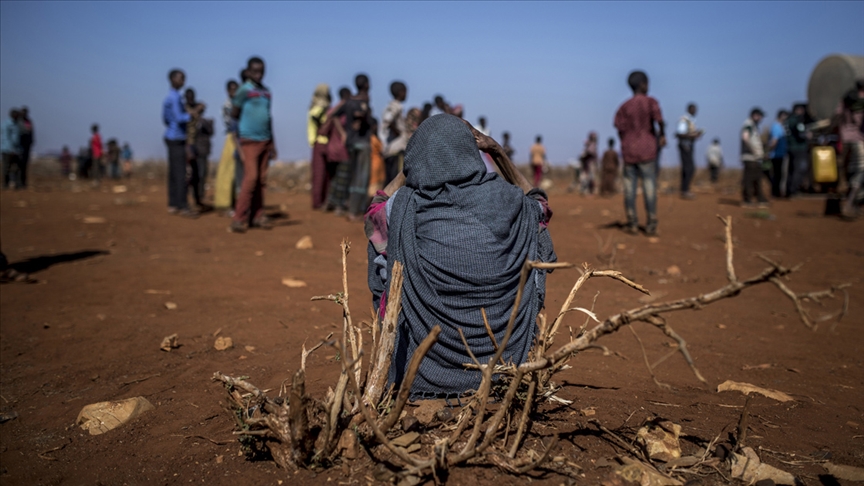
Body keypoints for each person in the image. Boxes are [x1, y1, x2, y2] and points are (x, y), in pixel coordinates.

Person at [364, 114, 555, 399]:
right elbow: (540, 205)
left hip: (422, 373)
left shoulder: (406, 206)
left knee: (385, 253)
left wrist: (410, 169)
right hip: (503, 365)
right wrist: (496, 151)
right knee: (532, 240)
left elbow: (372, 217)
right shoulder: (508, 199)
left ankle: (404, 354)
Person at [614, 70, 665, 235]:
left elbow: (619, 127)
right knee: (649, 187)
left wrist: (626, 141)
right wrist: (662, 135)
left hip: (629, 152)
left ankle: (632, 223)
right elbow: (659, 120)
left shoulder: (624, 106)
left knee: (630, 189)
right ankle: (651, 224)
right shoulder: (650, 102)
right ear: (644, 84)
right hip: (648, 151)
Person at [230, 57, 275, 232]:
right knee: (251, 178)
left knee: (262, 180)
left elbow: (269, 117)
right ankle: (239, 218)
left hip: (265, 140)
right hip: (249, 140)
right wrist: (238, 139)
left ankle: (257, 216)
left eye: (261, 71)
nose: (258, 74)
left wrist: (272, 142)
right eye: (255, 71)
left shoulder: (267, 92)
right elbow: (234, 114)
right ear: (248, 72)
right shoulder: (244, 91)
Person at [330, 73, 374, 221]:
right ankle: (355, 212)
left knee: (354, 175)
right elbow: (363, 117)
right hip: (362, 143)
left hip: (351, 143)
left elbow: (334, 115)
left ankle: (352, 209)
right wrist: (362, 118)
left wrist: (344, 133)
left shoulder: (349, 101)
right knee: (362, 177)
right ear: (366, 84)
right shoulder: (363, 100)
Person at [162, 68, 200, 218]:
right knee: (180, 173)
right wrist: (193, 113)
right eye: (181, 78)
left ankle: (173, 203)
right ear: (173, 79)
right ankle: (183, 206)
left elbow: (166, 118)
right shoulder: (176, 97)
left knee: (173, 173)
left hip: (170, 136)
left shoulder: (168, 97)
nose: (183, 81)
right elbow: (179, 118)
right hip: (177, 138)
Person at [836, 80, 864, 219]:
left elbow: (836, 116)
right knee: (861, 171)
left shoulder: (845, 99)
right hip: (858, 140)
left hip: (845, 140)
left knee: (848, 170)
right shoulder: (861, 101)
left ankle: (853, 203)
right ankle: (850, 204)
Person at [214, 80, 240, 213]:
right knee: (227, 171)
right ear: (228, 91)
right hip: (232, 138)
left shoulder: (237, 103)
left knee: (237, 172)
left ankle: (235, 202)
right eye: (232, 89)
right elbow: (232, 124)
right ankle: (224, 204)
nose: (234, 92)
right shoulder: (228, 106)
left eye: (236, 89)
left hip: (239, 137)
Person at [308, 83, 333, 209]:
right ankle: (318, 202)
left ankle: (323, 200)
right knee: (319, 173)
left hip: (324, 143)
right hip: (319, 142)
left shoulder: (322, 107)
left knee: (325, 174)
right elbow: (314, 121)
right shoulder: (318, 108)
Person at [381, 81, 409, 185]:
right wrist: (398, 132)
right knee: (395, 182)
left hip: (390, 149)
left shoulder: (390, 106)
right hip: (396, 149)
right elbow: (388, 120)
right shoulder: (396, 106)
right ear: (401, 92)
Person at [740, 108, 768, 208]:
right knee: (749, 179)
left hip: (755, 157)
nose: (761, 118)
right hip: (749, 157)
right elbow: (745, 138)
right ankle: (747, 200)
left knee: (757, 178)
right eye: (760, 116)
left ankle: (760, 199)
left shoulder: (753, 126)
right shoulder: (748, 125)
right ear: (755, 115)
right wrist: (754, 151)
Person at [676, 103, 703, 199]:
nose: (695, 111)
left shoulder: (691, 120)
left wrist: (696, 134)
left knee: (688, 168)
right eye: (693, 109)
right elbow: (679, 134)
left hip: (689, 146)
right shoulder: (684, 120)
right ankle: (685, 190)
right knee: (689, 168)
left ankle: (685, 189)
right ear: (689, 109)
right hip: (685, 146)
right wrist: (692, 136)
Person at [786, 103, 810, 195]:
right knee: (800, 169)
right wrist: (806, 135)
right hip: (798, 148)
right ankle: (794, 189)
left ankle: (791, 189)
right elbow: (800, 134)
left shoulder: (789, 120)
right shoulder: (796, 120)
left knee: (792, 170)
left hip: (791, 148)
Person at [767, 110, 789, 198]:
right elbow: (774, 141)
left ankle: (776, 192)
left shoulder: (780, 126)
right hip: (777, 155)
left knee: (778, 174)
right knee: (778, 174)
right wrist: (769, 151)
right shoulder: (776, 126)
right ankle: (776, 193)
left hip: (779, 154)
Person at [2, 109, 22, 189]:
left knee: (17, 167)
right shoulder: (6, 124)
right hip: (7, 150)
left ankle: (16, 183)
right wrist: (11, 149)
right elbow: (6, 138)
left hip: (16, 150)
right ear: (13, 115)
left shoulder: (17, 124)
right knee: (6, 167)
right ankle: (5, 184)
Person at [17, 107, 33, 189]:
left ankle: (23, 182)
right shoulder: (18, 122)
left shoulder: (28, 121)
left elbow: (31, 133)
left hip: (26, 147)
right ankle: (17, 182)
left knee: (24, 166)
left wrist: (31, 142)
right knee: (17, 166)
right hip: (18, 147)